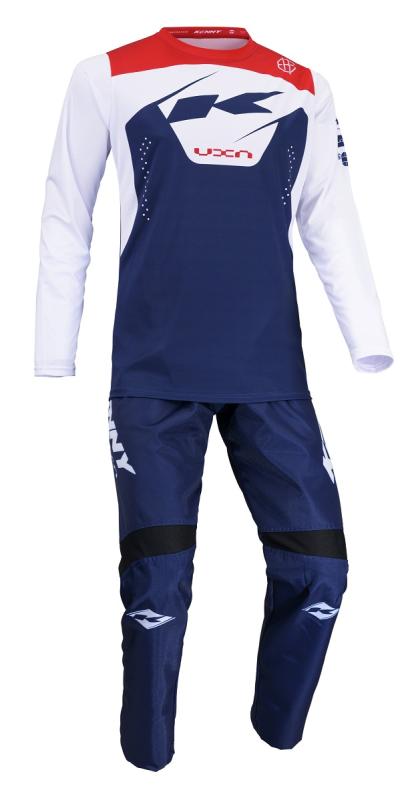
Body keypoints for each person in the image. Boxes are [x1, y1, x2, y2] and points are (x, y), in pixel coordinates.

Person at [35, 26, 393, 771]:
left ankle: (275, 732)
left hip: (271, 375)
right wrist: (54, 349)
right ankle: (148, 759)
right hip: (154, 377)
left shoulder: (302, 85)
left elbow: (329, 215)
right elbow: (68, 209)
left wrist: (368, 338)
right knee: (157, 591)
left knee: (322, 574)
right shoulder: (107, 74)